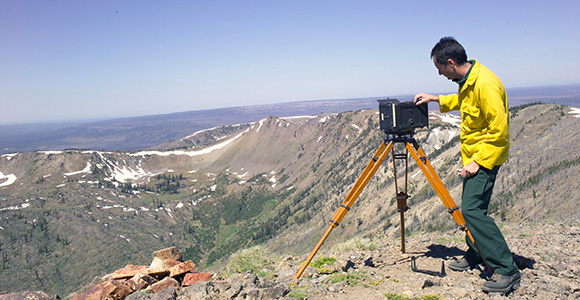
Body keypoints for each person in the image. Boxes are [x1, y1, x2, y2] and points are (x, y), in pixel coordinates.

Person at [414, 37, 520, 294]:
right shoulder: (469, 79)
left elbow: (500, 131)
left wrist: (478, 162)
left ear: (451, 63)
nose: (439, 73)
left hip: (484, 158)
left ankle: (506, 270)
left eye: (440, 68)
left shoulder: (485, 84)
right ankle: (476, 253)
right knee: (474, 207)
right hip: (473, 157)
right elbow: (464, 102)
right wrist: (437, 99)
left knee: (472, 211)